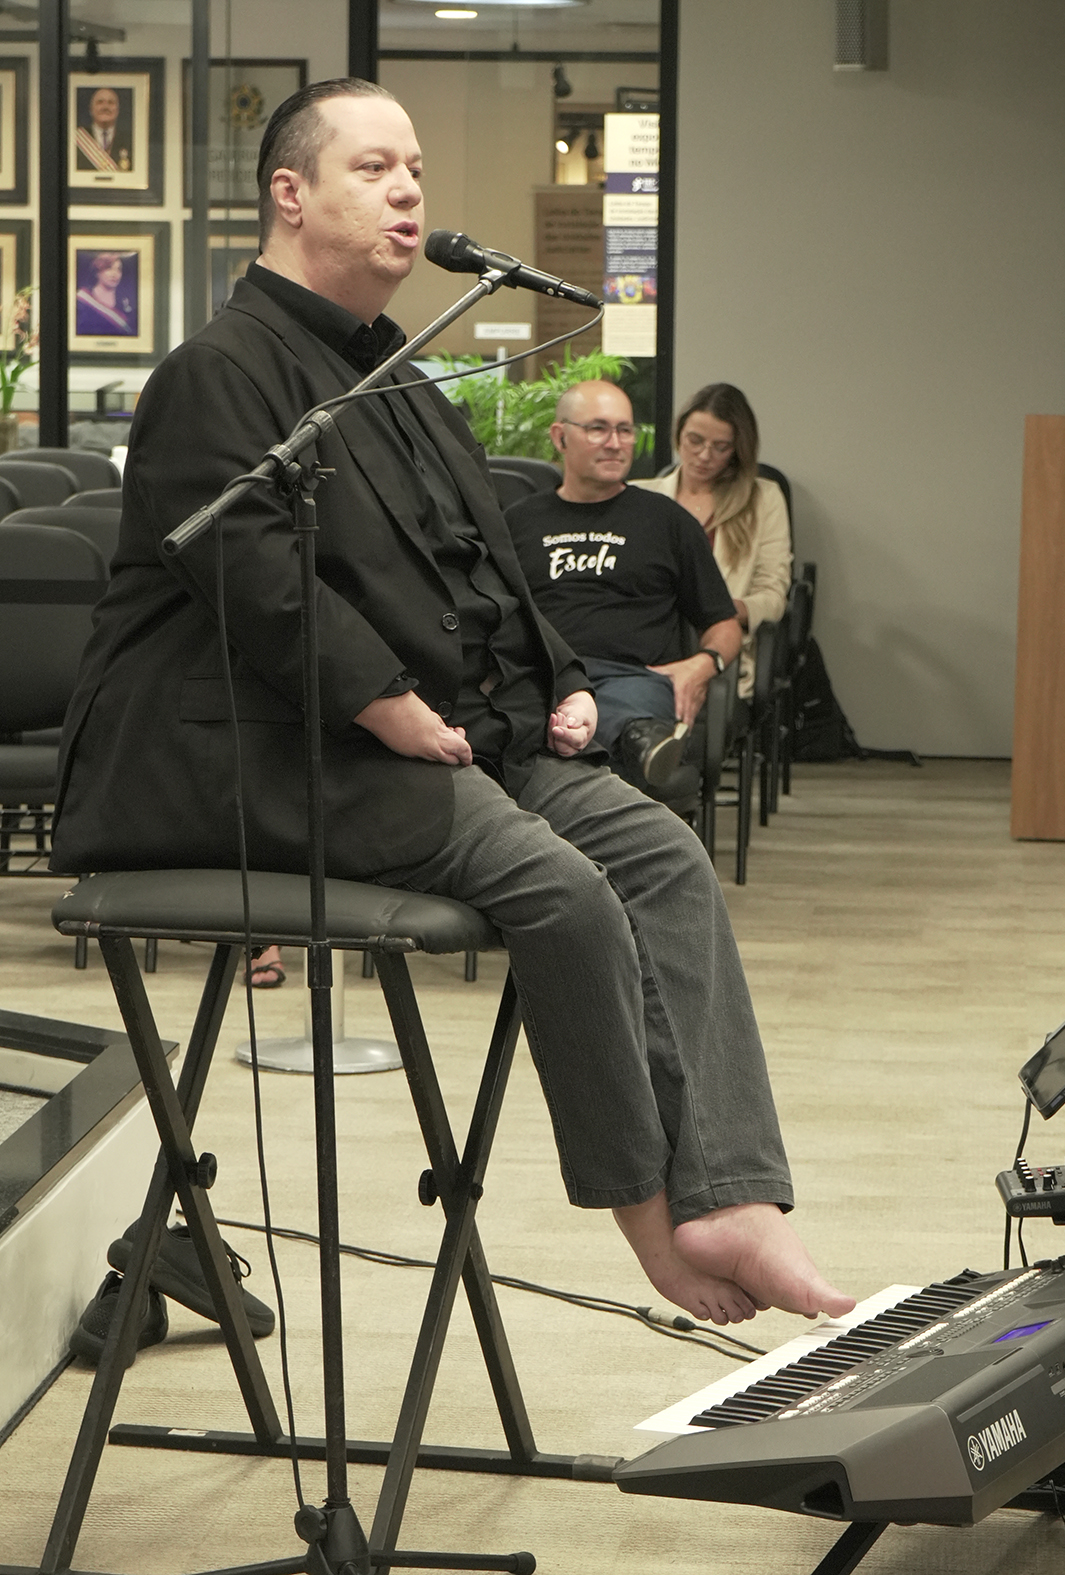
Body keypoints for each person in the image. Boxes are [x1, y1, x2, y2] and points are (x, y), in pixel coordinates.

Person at [50, 78, 853, 1329]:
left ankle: (734, 1196)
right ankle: (657, 1228)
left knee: (659, 854)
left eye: (415, 166)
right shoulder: (221, 372)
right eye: (374, 168)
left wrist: (563, 697)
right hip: (260, 752)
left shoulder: (397, 381)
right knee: (564, 890)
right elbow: (255, 578)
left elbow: (488, 582)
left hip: (422, 739)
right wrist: (381, 704)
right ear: (289, 192)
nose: (411, 189)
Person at [505, 380, 743, 789]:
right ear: (560, 437)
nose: (615, 443)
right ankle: (627, 744)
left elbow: (724, 624)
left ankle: (626, 742)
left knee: (622, 718)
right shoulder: (517, 523)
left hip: (633, 679)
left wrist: (704, 664)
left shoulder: (667, 521)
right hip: (543, 675)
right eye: (598, 429)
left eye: (625, 430)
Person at [634, 383, 792, 698]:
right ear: (678, 434)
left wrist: (722, 610)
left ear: (738, 450)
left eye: (721, 447)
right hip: (646, 643)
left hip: (719, 648)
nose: (705, 456)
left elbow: (774, 596)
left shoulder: (763, 499)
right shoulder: (640, 496)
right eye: (695, 440)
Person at [75, 252, 137, 337]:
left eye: (118, 269)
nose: (115, 274)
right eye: (109, 268)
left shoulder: (126, 302)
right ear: (97, 272)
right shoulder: (81, 299)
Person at [75, 86, 133, 173]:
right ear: (91, 109)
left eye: (111, 102)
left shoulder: (131, 140)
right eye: (100, 102)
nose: (105, 107)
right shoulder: (75, 139)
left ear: (117, 110)